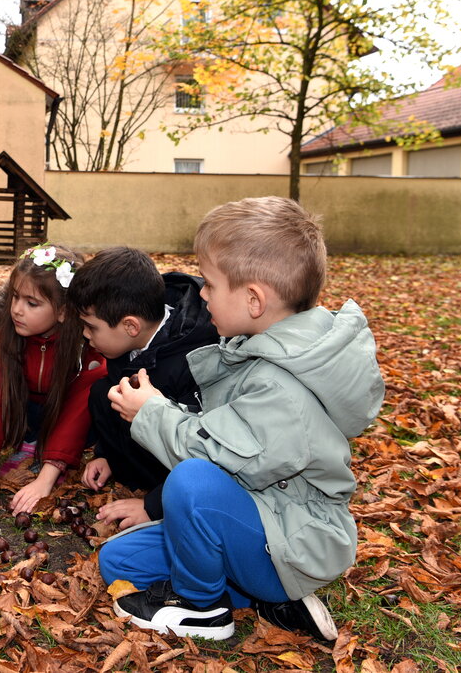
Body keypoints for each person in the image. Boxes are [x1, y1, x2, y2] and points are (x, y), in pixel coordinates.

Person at [99, 196, 384, 643]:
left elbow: (212, 457)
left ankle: (202, 608)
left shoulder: (282, 387)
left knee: (192, 481)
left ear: (253, 300)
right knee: (119, 561)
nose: (202, 293)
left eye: (209, 284)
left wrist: (150, 412)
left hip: (292, 538)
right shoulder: (258, 348)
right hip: (264, 515)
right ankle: (273, 600)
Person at [67, 247, 218, 529]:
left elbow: (205, 451)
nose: (86, 335)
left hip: (186, 467)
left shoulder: (194, 360)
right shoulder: (129, 340)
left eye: (91, 327)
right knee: (103, 392)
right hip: (147, 448)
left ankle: (169, 500)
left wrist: (153, 506)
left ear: (130, 326)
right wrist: (105, 454)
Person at [0, 244, 107, 515]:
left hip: (65, 416)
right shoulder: (8, 331)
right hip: (24, 410)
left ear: (64, 311)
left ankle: (52, 458)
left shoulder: (85, 346)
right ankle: (28, 444)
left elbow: (78, 411)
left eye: (32, 303)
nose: (17, 310)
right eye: (15, 297)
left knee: (96, 386)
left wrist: (44, 482)